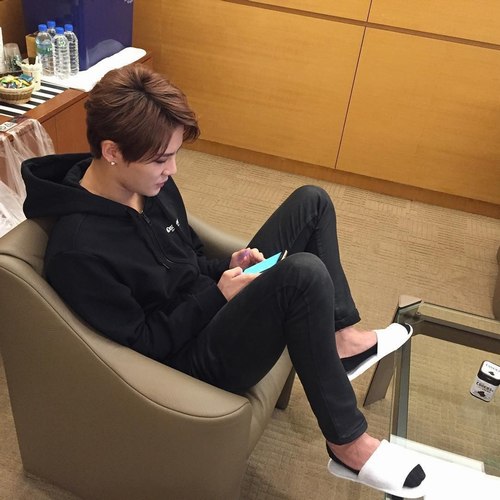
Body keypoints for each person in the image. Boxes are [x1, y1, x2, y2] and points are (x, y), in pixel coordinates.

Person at [22, 64, 426, 497]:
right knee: (303, 274)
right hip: (189, 360)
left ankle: (341, 339)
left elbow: (190, 257)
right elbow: (144, 343)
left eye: (175, 154)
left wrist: (226, 266)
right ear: (112, 151)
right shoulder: (79, 250)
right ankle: (347, 443)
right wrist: (217, 295)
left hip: (212, 305)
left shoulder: (149, 187)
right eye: (161, 159)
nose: (173, 169)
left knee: (312, 203)